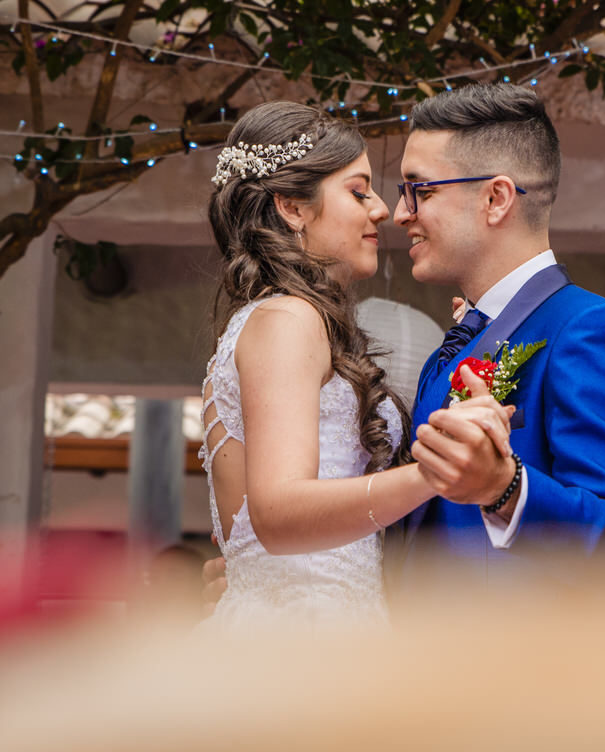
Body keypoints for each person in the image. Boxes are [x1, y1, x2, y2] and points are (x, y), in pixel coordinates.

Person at [197, 100, 511, 630]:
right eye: (359, 190)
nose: (383, 209)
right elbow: (277, 514)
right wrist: (441, 473)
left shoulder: (274, 319)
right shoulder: (289, 319)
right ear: (292, 208)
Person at [391, 83, 605, 605]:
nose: (401, 212)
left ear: (495, 199)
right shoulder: (451, 348)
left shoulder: (588, 329)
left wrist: (506, 487)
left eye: (419, 190)